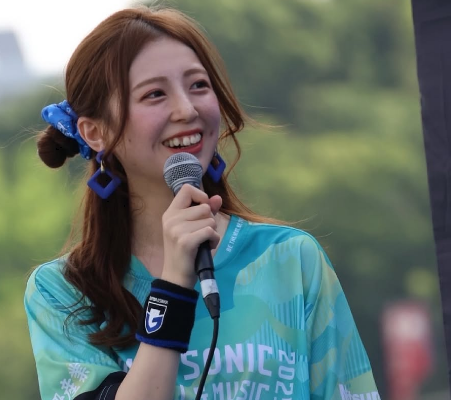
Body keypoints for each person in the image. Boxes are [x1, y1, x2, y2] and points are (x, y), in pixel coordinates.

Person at [24, 5, 380, 400]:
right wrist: (174, 284)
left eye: (198, 85)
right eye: (155, 94)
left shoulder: (291, 260)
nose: (187, 109)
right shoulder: (62, 291)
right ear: (95, 132)